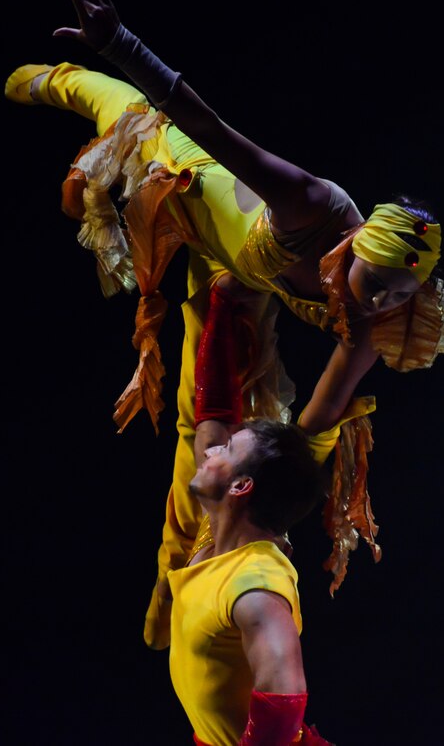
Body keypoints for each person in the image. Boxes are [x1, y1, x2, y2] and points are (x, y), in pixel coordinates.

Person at [4, 0, 444, 648]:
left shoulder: (381, 317)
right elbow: (208, 124)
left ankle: (173, 588)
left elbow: (320, 417)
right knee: (119, 111)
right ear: (359, 239)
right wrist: (121, 42)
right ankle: (47, 77)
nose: (387, 296)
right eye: (381, 277)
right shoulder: (312, 205)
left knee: (205, 435)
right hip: (186, 185)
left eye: (402, 290)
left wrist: (271, 494)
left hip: (234, 283)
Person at [172, 271, 333, 746]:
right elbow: (215, 416)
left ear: (241, 486)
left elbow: (285, 698)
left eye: (227, 450)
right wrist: (221, 305)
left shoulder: (255, 584)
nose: (212, 451)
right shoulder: (215, 542)